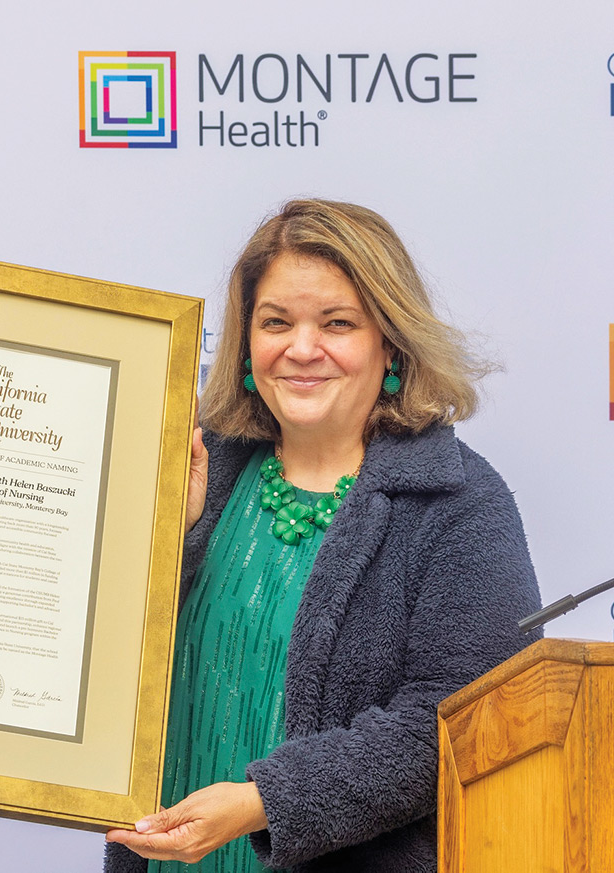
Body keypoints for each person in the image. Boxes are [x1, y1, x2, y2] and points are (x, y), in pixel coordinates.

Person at [104, 199, 541, 871]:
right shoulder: (190, 465)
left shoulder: (458, 500)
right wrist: (172, 542)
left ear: (389, 343)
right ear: (246, 344)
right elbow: (99, 653)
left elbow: (458, 717)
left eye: (337, 323)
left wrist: (265, 801)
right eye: (275, 322)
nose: (302, 349)